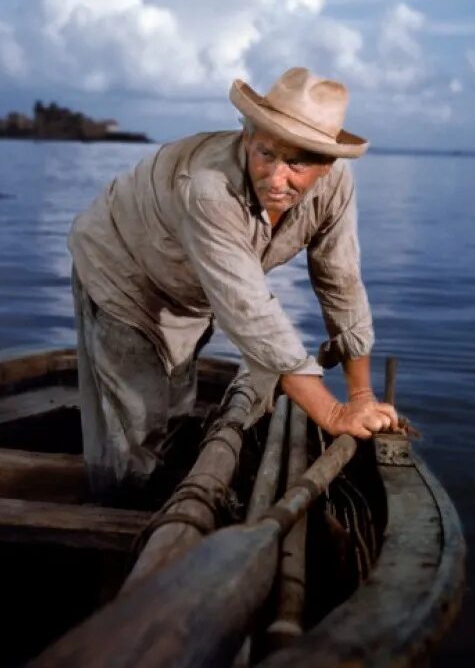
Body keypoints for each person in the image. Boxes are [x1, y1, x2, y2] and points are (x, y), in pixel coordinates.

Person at [68, 66, 398, 501]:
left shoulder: (336, 187)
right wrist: (333, 413)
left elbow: (342, 282)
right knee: (135, 422)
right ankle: (121, 517)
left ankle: (159, 490)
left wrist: (361, 395)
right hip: (120, 271)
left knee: (175, 406)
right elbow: (250, 313)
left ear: (327, 165)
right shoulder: (208, 189)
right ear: (246, 138)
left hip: (187, 289)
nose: (276, 179)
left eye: (296, 163)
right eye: (265, 154)